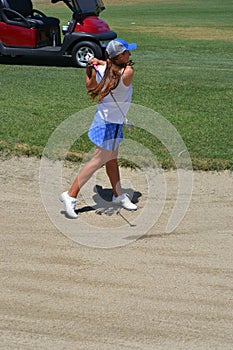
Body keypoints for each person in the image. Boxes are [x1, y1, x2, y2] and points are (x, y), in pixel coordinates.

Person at [59, 38, 138, 218]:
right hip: (108, 124)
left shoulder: (103, 70)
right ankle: (70, 195)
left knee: (112, 160)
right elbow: (116, 70)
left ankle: (118, 195)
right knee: (97, 161)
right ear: (119, 55)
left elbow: (91, 83)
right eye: (126, 52)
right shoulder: (128, 72)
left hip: (109, 122)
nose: (130, 54)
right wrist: (99, 63)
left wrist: (94, 64)